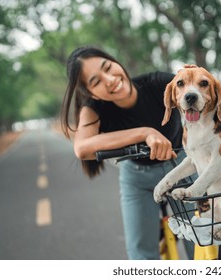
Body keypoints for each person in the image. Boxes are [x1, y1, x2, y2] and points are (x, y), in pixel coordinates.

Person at [61, 46, 192, 260]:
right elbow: (82, 148)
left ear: (115, 61)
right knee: (141, 256)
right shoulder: (93, 109)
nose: (110, 79)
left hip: (181, 168)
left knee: (204, 242)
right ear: (90, 92)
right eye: (96, 81)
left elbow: (208, 100)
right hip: (137, 180)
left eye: (107, 67)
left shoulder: (158, 83)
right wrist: (144, 133)